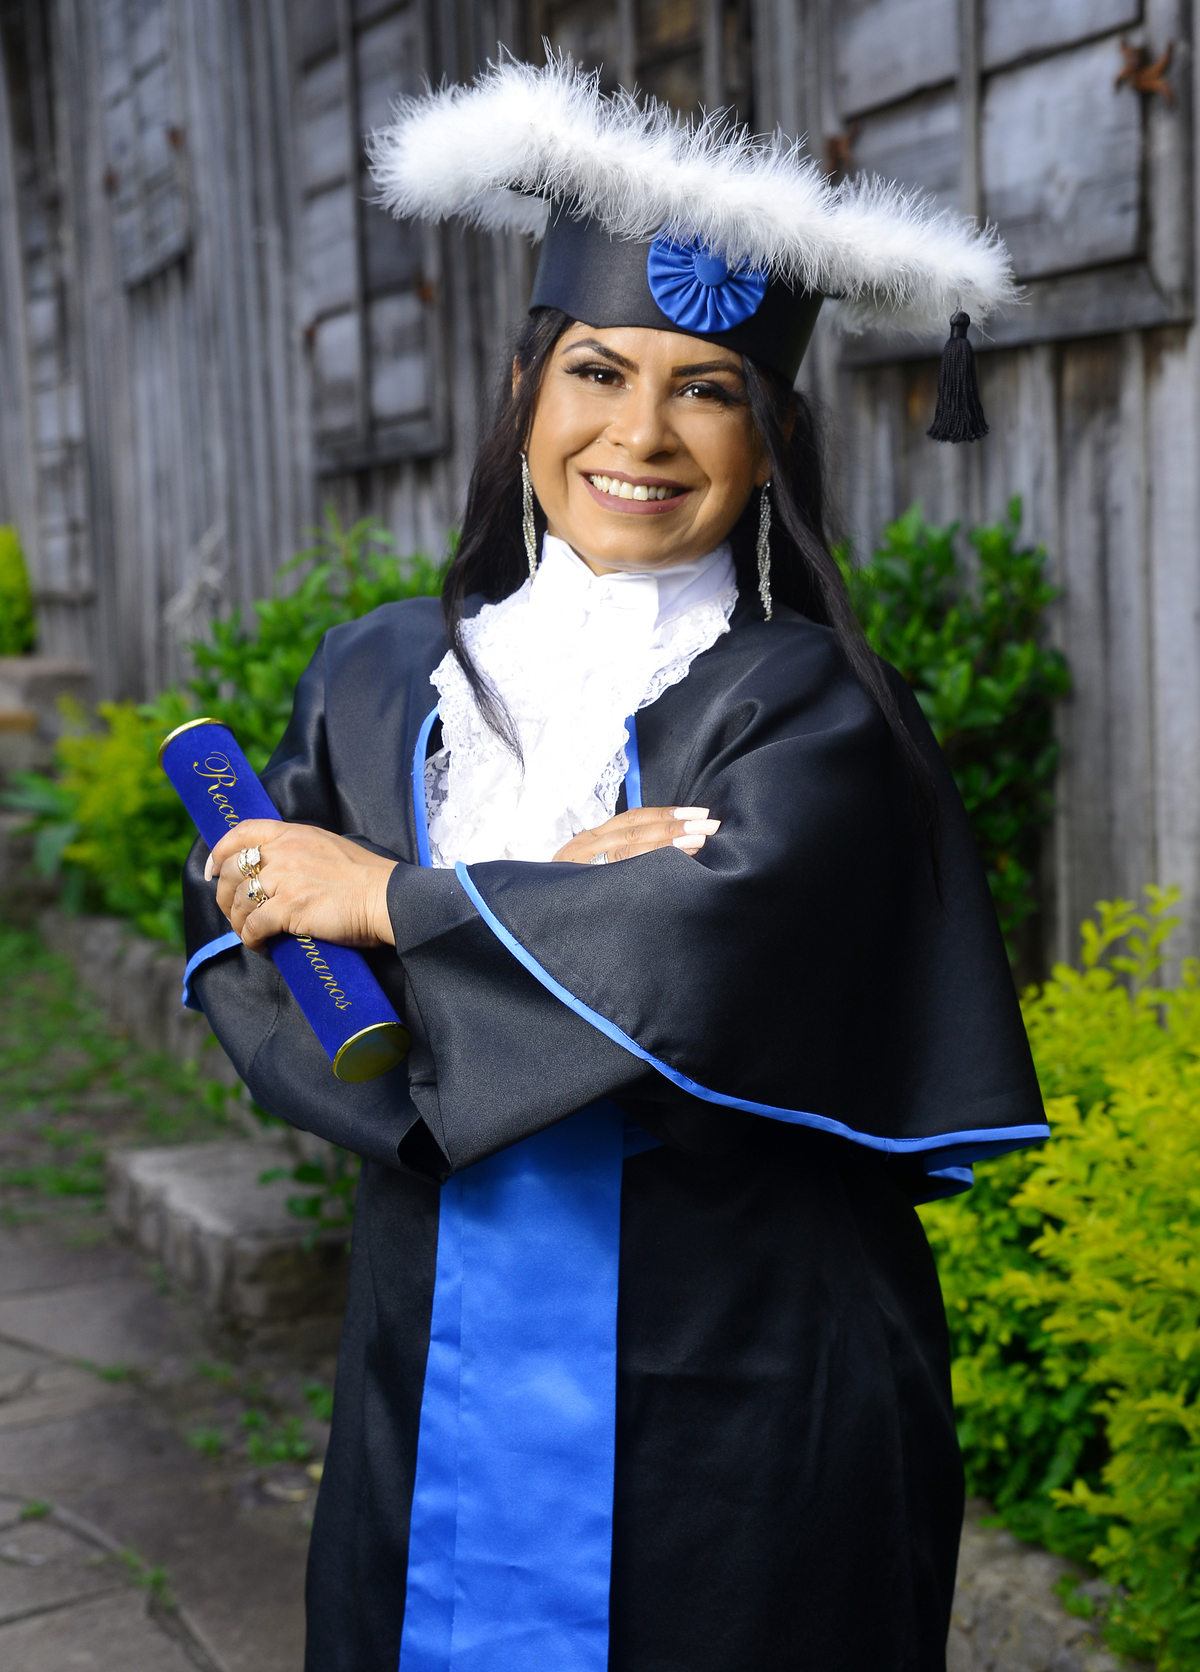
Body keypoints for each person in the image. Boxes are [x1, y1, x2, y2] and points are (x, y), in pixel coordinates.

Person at [182, 60, 1047, 1672]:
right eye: (597, 370)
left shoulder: (812, 705)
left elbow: (711, 954)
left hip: (742, 1370)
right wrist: (558, 906)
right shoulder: (379, 677)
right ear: (528, 385)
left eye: (706, 389)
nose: (640, 435)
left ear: (771, 437)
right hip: (434, 1346)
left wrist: (393, 903)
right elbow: (250, 935)